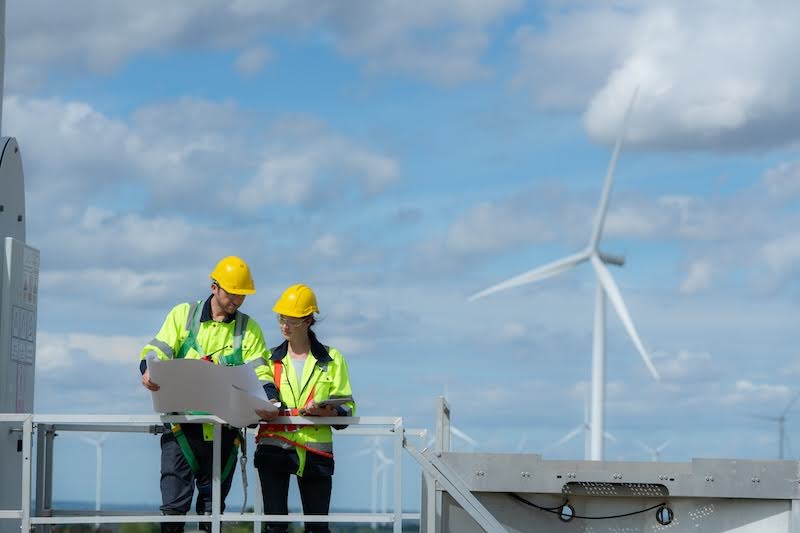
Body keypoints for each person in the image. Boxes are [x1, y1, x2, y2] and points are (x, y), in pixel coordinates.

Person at [139, 256, 271, 533]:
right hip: (181, 428)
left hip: (225, 432)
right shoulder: (182, 315)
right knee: (173, 508)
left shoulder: (249, 329)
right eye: (232, 293)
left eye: (242, 295)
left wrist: (268, 399)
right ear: (214, 287)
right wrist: (148, 369)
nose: (237, 300)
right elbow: (156, 351)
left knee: (212, 511)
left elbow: (262, 372)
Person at [254, 284, 355, 533]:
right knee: (274, 528)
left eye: (292, 320)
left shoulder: (333, 359)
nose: (284, 325)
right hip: (274, 448)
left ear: (309, 320)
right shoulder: (268, 359)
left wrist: (328, 412)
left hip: (315, 452)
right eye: (281, 319)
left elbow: (347, 411)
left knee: (317, 528)